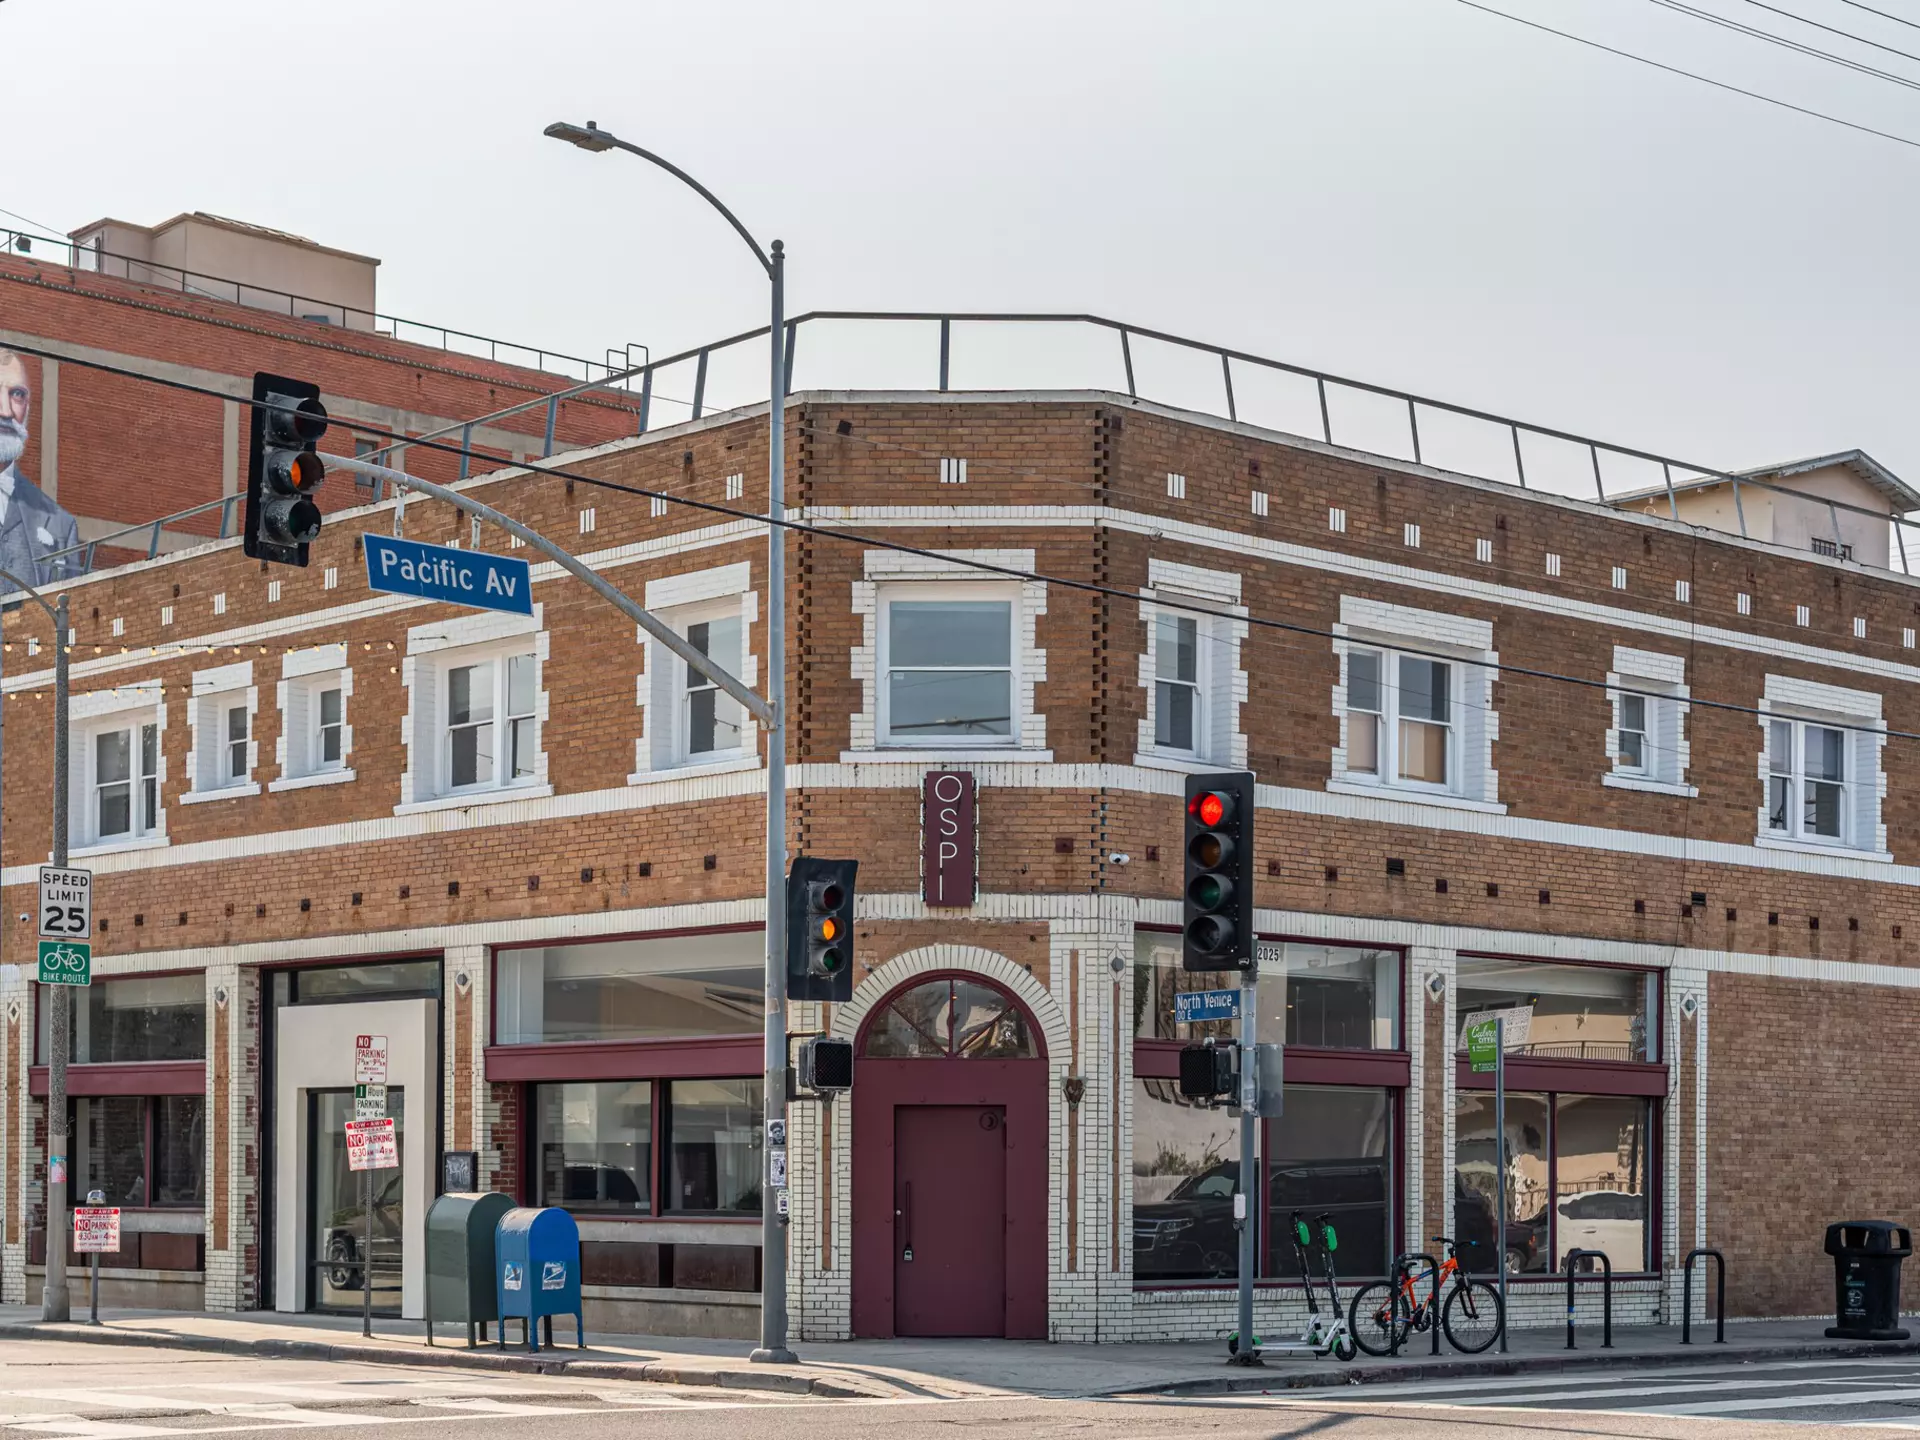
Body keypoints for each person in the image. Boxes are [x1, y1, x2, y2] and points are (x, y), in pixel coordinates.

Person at [0, 350, 81, 592]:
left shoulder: (60, 525)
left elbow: (70, 609)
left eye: (17, 394)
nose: (6, 411)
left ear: (27, 406)